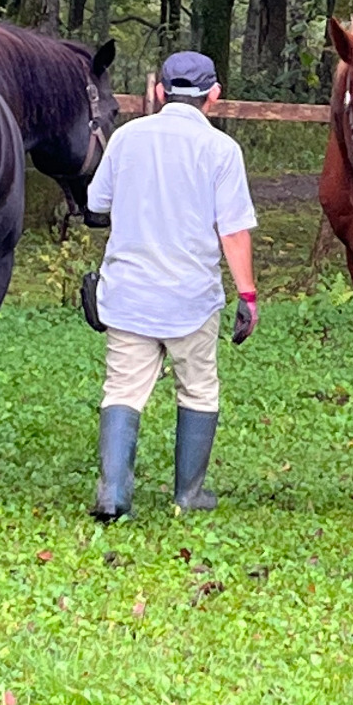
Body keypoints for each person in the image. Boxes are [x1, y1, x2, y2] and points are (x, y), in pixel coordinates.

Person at [79, 51, 260, 521]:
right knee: (198, 389)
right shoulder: (222, 151)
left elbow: (96, 202)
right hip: (191, 298)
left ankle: (114, 494)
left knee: (122, 388)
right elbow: (234, 231)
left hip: (127, 293)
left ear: (160, 90)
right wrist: (247, 295)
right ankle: (189, 494)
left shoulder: (127, 138)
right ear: (214, 95)